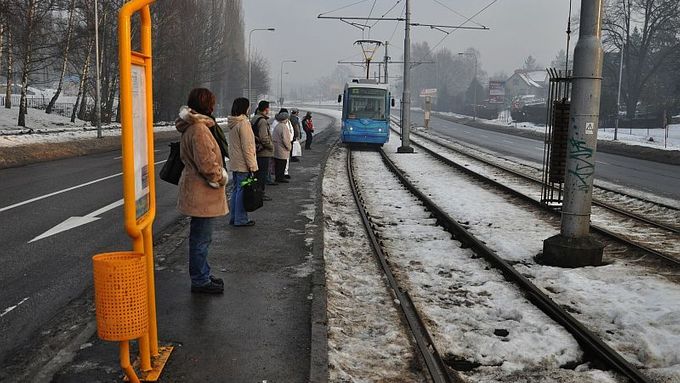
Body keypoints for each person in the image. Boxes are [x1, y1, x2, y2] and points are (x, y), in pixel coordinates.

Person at [176, 88, 228, 294]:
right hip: (203, 193)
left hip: (197, 191)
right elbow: (207, 164)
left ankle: (202, 273)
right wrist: (221, 177)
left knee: (200, 237)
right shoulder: (199, 130)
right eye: (212, 102)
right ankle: (200, 279)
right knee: (201, 239)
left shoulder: (192, 126)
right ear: (207, 105)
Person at [227, 97, 258, 226]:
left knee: (236, 190)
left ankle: (234, 217)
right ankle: (241, 219)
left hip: (235, 163)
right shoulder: (244, 123)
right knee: (242, 190)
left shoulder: (233, 123)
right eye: (248, 106)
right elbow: (248, 147)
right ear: (244, 108)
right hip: (243, 165)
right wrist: (252, 165)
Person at [250, 100, 275, 198]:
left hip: (257, 150)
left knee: (257, 174)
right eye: (268, 108)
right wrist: (271, 146)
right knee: (262, 174)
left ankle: (257, 192)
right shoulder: (263, 121)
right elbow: (264, 138)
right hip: (263, 152)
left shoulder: (255, 118)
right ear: (266, 109)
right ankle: (260, 194)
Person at [272, 108, 292, 183]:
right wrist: (289, 147)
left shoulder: (277, 126)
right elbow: (286, 139)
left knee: (277, 164)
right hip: (282, 149)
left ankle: (278, 177)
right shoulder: (284, 127)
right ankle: (280, 178)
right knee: (282, 164)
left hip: (277, 148)